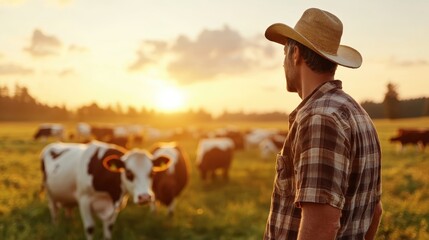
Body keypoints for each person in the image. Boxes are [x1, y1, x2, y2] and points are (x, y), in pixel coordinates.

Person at [263, 8, 382, 240]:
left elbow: (320, 229)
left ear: (295, 53)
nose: (283, 63)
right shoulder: (357, 114)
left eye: (285, 50)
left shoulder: (319, 118)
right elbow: (374, 211)